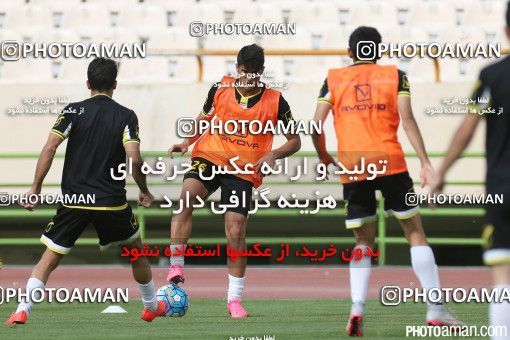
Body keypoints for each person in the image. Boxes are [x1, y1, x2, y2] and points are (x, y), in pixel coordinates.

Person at [311, 26, 463, 336]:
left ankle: (356, 308)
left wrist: (325, 157)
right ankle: (435, 309)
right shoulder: (396, 75)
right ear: (377, 51)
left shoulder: (333, 79)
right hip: (391, 162)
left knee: (363, 243)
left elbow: (315, 124)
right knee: (415, 234)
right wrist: (425, 163)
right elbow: (408, 120)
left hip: (354, 167)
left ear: (350, 51)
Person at [6, 57, 165, 325]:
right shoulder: (126, 115)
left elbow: (49, 148)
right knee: (136, 250)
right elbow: (135, 160)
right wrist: (144, 190)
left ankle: (23, 308)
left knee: (50, 257)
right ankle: (151, 306)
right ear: (115, 84)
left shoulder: (72, 111)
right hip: (110, 202)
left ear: (88, 83)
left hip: (74, 200)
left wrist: (35, 188)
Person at [166, 44, 301, 318]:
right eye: (243, 72)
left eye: (254, 74)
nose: (248, 79)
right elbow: (204, 118)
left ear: (261, 72)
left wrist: (273, 154)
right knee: (186, 198)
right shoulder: (220, 89)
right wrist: (185, 143)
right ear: (237, 69)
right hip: (211, 156)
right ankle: (176, 264)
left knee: (235, 231)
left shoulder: (276, 101)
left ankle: (234, 299)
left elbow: (295, 140)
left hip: (243, 169)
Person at [430, 3, 510, 339]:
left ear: (505, 31)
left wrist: (441, 171)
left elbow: (467, 127)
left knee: (503, 278)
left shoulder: (493, 76)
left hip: (503, 190)